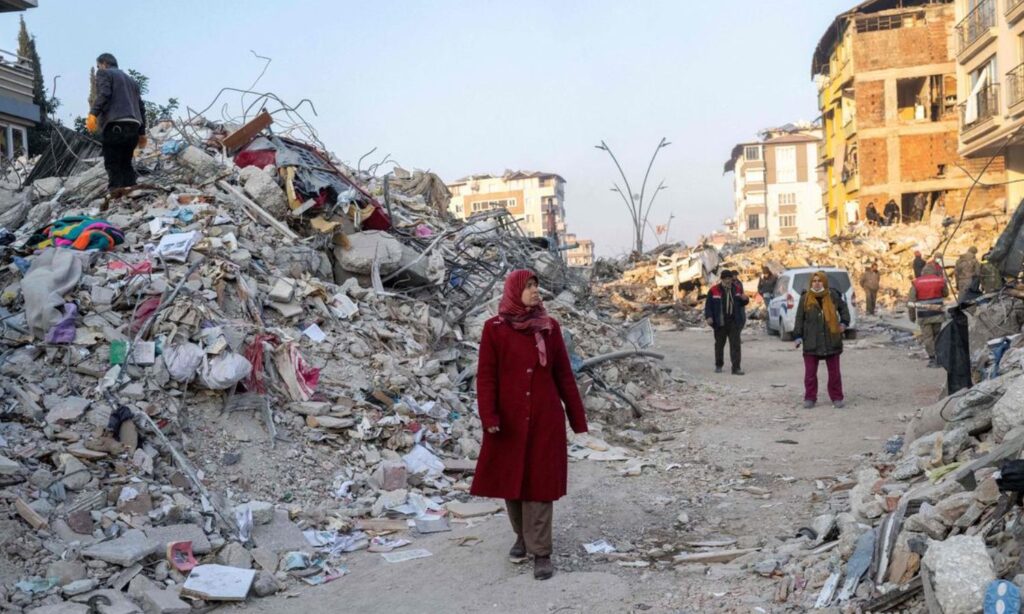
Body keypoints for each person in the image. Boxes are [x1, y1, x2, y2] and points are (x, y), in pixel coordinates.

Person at [471, 269, 588, 581]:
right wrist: (490, 416)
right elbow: (486, 376)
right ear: (514, 291)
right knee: (513, 483)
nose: (536, 292)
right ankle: (522, 536)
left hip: (544, 419)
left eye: (537, 286)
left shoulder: (549, 327)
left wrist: (577, 419)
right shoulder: (494, 329)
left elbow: (563, 374)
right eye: (529, 287)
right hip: (508, 420)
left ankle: (541, 552)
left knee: (540, 485)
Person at [86, 53, 147, 192]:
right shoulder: (132, 81)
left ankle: (115, 193)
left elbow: (104, 94)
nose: (98, 69)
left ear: (104, 64)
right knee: (126, 163)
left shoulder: (104, 73)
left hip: (115, 125)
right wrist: (142, 133)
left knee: (113, 162)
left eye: (98, 66)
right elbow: (141, 107)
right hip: (133, 126)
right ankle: (130, 193)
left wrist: (93, 114)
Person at [793, 271, 850, 409]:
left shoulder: (832, 295)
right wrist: (798, 336)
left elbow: (844, 309)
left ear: (824, 282)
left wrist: (843, 323)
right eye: (814, 281)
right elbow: (799, 318)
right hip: (812, 341)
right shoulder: (805, 298)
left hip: (831, 339)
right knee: (810, 374)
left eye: (819, 281)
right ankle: (810, 398)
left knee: (834, 373)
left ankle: (837, 397)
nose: (817, 283)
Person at [704, 270, 749, 375]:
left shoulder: (737, 289)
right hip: (720, 322)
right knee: (719, 345)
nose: (728, 281)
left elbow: (742, 303)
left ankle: (736, 368)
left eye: (730, 279)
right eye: (726, 279)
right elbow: (708, 306)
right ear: (722, 279)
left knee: (735, 345)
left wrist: (745, 299)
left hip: (734, 321)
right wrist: (709, 317)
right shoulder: (714, 290)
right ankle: (719, 365)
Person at [909, 262, 949, 368]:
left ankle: (932, 358)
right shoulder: (940, 280)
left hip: (924, 315)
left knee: (928, 337)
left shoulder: (916, 282)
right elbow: (946, 294)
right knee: (937, 336)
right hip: (938, 313)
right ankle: (939, 357)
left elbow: (911, 301)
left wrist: (912, 316)